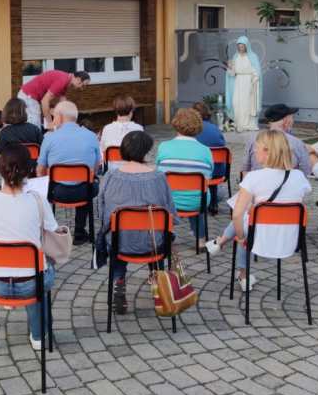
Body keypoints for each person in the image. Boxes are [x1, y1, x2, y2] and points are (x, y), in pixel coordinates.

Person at [0, 144, 62, 351]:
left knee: (32, 267)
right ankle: (39, 335)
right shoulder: (38, 200)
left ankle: (21, 311)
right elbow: (53, 229)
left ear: (0, 170)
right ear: (28, 171)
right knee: (41, 269)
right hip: (32, 284)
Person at [206, 129, 311, 291]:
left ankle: (241, 272)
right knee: (250, 215)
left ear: (267, 151)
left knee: (244, 221)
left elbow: (236, 215)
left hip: (259, 239)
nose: (254, 151)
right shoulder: (299, 176)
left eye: (257, 147)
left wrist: (240, 238)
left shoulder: (253, 178)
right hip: (290, 239)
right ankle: (224, 248)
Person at [95, 131, 176, 314]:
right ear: (147, 151)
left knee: (116, 233)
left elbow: (102, 212)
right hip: (153, 242)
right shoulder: (159, 177)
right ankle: (158, 282)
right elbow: (170, 213)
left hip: (120, 242)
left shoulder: (110, 177)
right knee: (157, 234)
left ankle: (118, 281)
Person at [37, 100, 101, 245]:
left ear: (59, 117)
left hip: (56, 192)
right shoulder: (91, 136)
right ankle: (79, 231)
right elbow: (96, 168)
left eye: (54, 116)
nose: (53, 119)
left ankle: (52, 231)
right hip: (84, 192)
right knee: (89, 182)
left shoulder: (49, 138)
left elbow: (40, 170)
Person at [156, 108, 214, 249]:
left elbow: (159, 174)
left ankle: (166, 233)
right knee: (200, 192)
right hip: (197, 202)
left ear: (176, 123)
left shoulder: (163, 147)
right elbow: (208, 177)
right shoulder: (205, 150)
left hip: (169, 202)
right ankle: (201, 239)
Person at [240, 104, 312, 177]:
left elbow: (245, 168)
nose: (293, 121)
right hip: (286, 183)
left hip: (256, 182)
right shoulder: (297, 143)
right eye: (292, 118)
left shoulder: (253, 139)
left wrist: (249, 182)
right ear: (286, 121)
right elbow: (306, 170)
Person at [17, 70, 90, 129]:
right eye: (83, 85)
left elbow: (63, 104)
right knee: (35, 126)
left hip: (30, 96)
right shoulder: (62, 81)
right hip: (28, 96)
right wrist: (50, 123)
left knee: (36, 124)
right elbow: (44, 102)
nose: (82, 89)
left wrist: (69, 121)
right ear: (78, 79)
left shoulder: (66, 81)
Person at [193, 101, 227, 215]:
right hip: (217, 171)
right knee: (212, 167)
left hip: (196, 170)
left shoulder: (192, 130)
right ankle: (213, 202)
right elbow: (222, 145)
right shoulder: (215, 128)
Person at [224, 35, 262, 131]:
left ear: (246, 46)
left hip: (248, 82)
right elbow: (232, 73)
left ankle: (247, 124)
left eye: (242, 46)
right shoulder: (235, 57)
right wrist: (229, 68)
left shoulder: (252, 57)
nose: (240, 48)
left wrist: (254, 80)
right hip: (237, 82)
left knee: (247, 103)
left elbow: (257, 71)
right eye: (239, 46)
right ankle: (238, 123)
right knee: (236, 102)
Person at [99, 96, 144, 167]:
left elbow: (102, 150)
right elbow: (141, 153)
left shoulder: (106, 128)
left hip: (111, 168)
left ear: (116, 111)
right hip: (132, 168)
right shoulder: (139, 128)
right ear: (131, 111)